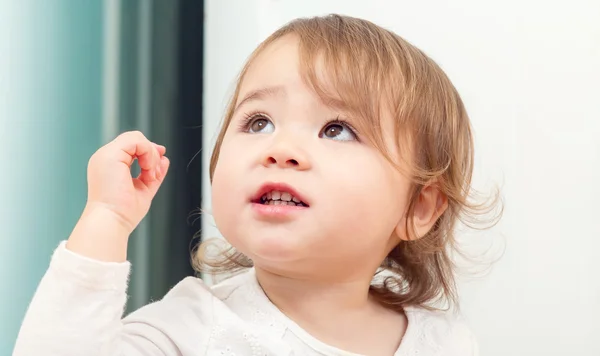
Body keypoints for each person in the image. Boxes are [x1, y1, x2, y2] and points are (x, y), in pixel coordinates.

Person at [13, 14, 498, 356]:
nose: (280, 148)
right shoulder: (191, 328)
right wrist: (107, 219)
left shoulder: (443, 342)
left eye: (337, 129)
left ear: (418, 207)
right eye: (259, 121)